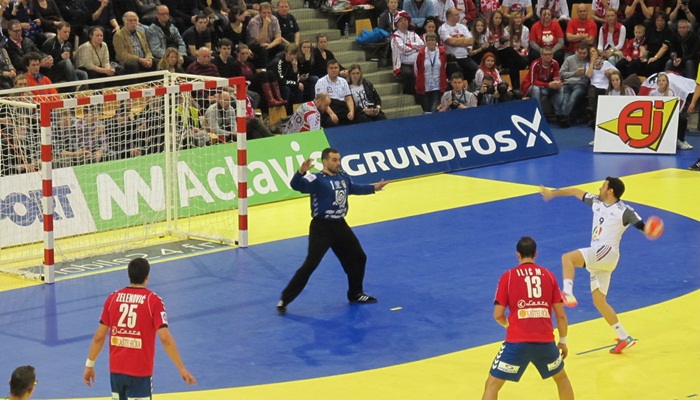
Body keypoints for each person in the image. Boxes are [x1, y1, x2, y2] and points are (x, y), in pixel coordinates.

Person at [540, 177, 657, 354]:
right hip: (602, 259)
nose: (599, 188)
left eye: (603, 186)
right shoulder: (596, 201)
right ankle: (624, 337)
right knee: (599, 301)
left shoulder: (625, 211)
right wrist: (552, 194)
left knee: (567, 258)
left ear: (610, 191)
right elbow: (575, 191)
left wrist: (650, 229)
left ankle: (568, 293)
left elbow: (642, 226)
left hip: (607, 252)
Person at [276, 147, 389, 315]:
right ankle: (285, 299)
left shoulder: (342, 176)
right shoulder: (316, 179)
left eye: (339, 159)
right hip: (322, 228)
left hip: (340, 225)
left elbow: (353, 188)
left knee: (359, 257)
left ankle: (356, 294)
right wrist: (301, 172)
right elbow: (296, 185)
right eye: (334, 160)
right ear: (325, 162)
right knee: (311, 264)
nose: (338, 163)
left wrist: (374, 188)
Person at [83, 257, 196, 399]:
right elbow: (165, 337)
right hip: (140, 373)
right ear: (147, 276)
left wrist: (89, 365)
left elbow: (99, 337)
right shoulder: (153, 301)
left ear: (128, 275)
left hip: (116, 373)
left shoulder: (112, 299)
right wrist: (181, 368)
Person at [481, 236, 573, 400]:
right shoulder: (549, 276)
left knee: (492, 384)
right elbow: (561, 315)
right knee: (562, 380)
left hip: (517, 343)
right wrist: (563, 342)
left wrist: (509, 326)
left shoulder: (508, 277)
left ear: (518, 255)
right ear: (535, 254)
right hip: (545, 343)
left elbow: (498, 315)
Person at [648, 72, 692, 150]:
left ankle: (681, 139)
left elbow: (673, 106)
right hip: (656, 115)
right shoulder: (653, 93)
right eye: (659, 81)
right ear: (657, 82)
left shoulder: (670, 93)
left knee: (683, 119)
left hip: (668, 114)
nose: (661, 82)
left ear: (667, 82)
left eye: (663, 80)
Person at [521, 47, 563, 116]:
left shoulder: (555, 63)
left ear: (552, 55)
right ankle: (539, 114)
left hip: (547, 86)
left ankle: (558, 113)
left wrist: (557, 83)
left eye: (550, 54)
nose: (548, 56)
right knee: (536, 89)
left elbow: (556, 77)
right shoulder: (535, 64)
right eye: (545, 54)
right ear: (541, 56)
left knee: (560, 88)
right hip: (530, 86)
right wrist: (548, 84)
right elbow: (533, 82)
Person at [391, 10, 425, 94]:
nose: (403, 22)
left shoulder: (413, 34)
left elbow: (422, 45)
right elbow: (404, 50)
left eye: (405, 20)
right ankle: (410, 93)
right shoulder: (395, 36)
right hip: (403, 62)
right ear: (397, 24)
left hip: (416, 60)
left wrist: (409, 45)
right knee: (408, 73)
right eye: (401, 21)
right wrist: (416, 49)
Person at [439, 7, 477, 83]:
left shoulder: (462, 27)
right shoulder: (443, 28)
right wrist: (464, 40)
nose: (459, 16)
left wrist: (457, 41)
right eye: (456, 14)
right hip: (453, 58)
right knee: (457, 73)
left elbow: (471, 41)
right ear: (450, 16)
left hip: (465, 56)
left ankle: (468, 86)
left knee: (474, 68)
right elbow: (450, 42)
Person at [113, 12, 157, 76]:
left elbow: (147, 49)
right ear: (125, 22)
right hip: (129, 61)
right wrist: (139, 59)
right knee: (132, 65)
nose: (133, 23)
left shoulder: (141, 32)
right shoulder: (119, 35)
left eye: (135, 20)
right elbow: (122, 54)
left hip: (143, 60)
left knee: (157, 62)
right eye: (130, 20)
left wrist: (149, 58)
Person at [558, 43, 591, 127]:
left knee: (573, 97)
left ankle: (563, 118)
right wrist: (574, 73)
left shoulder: (589, 61)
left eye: (584, 53)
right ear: (576, 51)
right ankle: (564, 118)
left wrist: (583, 76)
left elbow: (589, 77)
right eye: (580, 53)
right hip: (567, 84)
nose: (582, 55)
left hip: (580, 84)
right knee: (565, 100)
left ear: (587, 53)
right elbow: (561, 74)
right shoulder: (569, 59)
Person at [414, 31, 447, 113]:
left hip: (437, 86)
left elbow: (444, 66)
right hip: (425, 86)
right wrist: (419, 80)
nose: (431, 42)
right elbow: (416, 69)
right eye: (428, 40)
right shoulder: (421, 53)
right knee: (426, 110)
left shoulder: (442, 52)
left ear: (436, 41)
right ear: (426, 42)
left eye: (433, 40)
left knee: (434, 110)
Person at [246, 2, 284, 68]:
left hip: (269, 44)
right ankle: (264, 69)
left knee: (282, 46)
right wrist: (265, 25)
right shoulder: (254, 22)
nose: (267, 15)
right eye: (264, 13)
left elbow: (278, 38)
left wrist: (270, 45)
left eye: (269, 12)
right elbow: (260, 41)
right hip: (254, 45)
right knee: (263, 49)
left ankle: (278, 68)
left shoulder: (274, 19)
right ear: (259, 12)